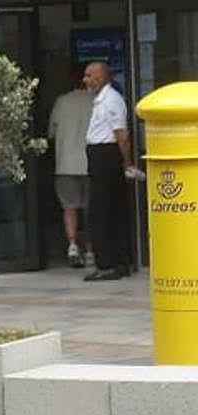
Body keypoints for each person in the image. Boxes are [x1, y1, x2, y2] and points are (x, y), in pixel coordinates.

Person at [81, 61, 134, 282]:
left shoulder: (111, 100)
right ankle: (117, 261)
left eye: (89, 75)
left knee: (102, 212)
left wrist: (126, 162)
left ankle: (108, 264)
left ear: (101, 77)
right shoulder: (100, 99)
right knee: (108, 210)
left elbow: (121, 135)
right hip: (100, 156)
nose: (85, 80)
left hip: (107, 157)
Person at [48, 71, 94, 268]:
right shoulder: (96, 101)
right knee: (91, 209)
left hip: (65, 164)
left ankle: (73, 245)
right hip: (90, 163)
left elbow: (51, 132)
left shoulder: (61, 101)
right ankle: (91, 250)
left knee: (69, 207)